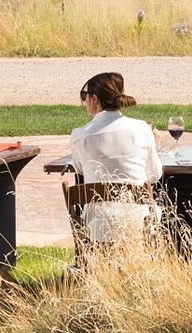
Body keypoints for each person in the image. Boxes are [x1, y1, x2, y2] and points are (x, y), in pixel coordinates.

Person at [69, 72, 163, 243]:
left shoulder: (79, 135)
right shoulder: (142, 129)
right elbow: (154, 175)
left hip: (98, 225)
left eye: (85, 97)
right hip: (139, 220)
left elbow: (80, 170)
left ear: (94, 99)